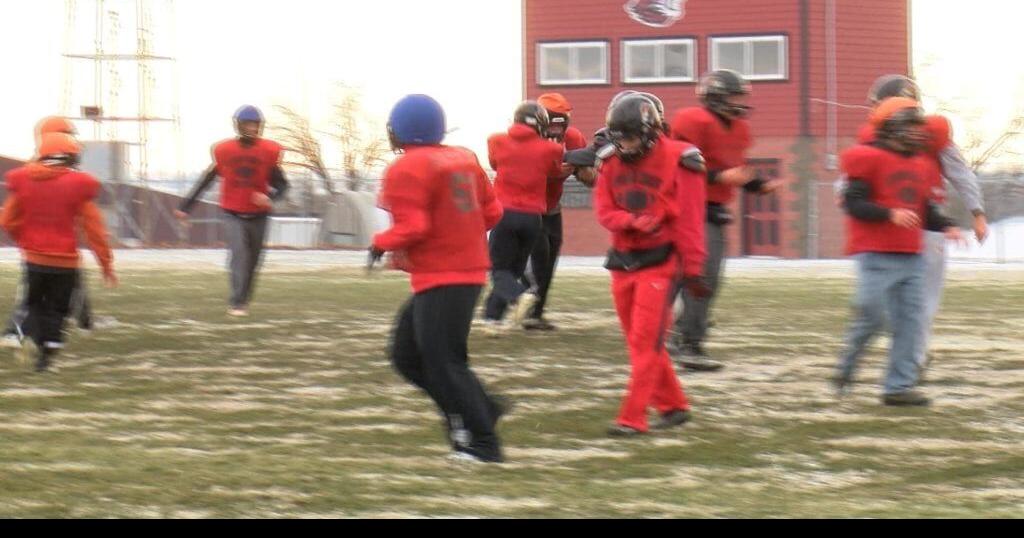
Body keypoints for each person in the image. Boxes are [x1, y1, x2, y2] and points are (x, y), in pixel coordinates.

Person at [371, 94, 507, 462]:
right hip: (461, 272)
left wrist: (380, 242)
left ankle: (484, 443)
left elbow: (414, 226)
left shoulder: (407, 167)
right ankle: (480, 407)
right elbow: (492, 213)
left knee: (445, 361)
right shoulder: (463, 158)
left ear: (401, 130)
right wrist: (459, 230)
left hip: (445, 275)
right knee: (406, 355)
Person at [833, 97, 964, 406]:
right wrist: (889, 213)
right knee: (872, 318)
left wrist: (946, 224)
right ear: (891, 128)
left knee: (911, 322)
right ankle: (847, 366)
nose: (918, 132)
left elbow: (924, 208)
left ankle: (898, 387)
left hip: (912, 256)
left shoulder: (919, 163)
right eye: (911, 126)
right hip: (876, 254)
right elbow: (854, 203)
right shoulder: (867, 157)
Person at [594, 94, 709, 437]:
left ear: (649, 132)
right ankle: (673, 406)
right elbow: (604, 211)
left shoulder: (681, 159)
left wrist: (693, 268)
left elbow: (690, 221)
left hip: (661, 260)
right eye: (619, 138)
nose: (624, 145)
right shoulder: (610, 160)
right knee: (638, 342)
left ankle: (633, 417)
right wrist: (631, 221)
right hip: (623, 261)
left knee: (646, 342)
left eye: (630, 137)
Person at [668, 70, 783, 372]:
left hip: (712, 209)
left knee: (701, 278)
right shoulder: (693, 120)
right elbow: (675, 164)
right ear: (716, 97)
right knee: (695, 277)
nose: (739, 103)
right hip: (686, 207)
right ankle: (685, 342)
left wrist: (757, 184)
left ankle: (677, 335)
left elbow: (734, 168)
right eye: (734, 97)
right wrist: (720, 177)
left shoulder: (738, 128)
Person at [0, 133, 117, 372]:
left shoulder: (24, 180)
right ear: (70, 157)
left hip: (34, 259)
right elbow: (95, 230)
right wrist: (106, 264)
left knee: (33, 303)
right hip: (65, 262)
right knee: (57, 310)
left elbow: (8, 220)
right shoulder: (79, 185)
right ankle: (46, 356)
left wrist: (25, 240)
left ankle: (19, 334)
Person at [175, 106, 289, 317]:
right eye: (248, 124)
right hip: (233, 213)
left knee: (253, 261)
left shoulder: (267, 151)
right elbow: (206, 181)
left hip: (259, 215)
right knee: (239, 254)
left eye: (255, 124)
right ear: (239, 125)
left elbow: (283, 185)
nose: (252, 128)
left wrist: (270, 198)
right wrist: (186, 207)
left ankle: (243, 299)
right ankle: (237, 302)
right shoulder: (226, 151)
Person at [483, 101, 563, 329]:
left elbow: (495, 164)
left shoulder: (496, 140)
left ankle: (519, 295)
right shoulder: (551, 149)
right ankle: (492, 319)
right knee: (513, 270)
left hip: (504, 213)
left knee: (499, 269)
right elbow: (554, 171)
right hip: (532, 218)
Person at [521, 93, 589, 331]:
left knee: (549, 261)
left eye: (560, 123)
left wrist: (581, 165)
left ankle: (534, 314)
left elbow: (590, 178)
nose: (555, 129)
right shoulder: (525, 138)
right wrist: (555, 170)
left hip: (551, 207)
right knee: (538, 256)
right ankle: (518, 295)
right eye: (551, 122)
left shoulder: (573, 138)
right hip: (526, 206)